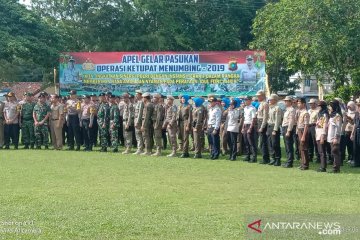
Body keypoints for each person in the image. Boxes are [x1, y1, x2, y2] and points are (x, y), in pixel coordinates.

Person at [327, 99, 343, 173]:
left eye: (330, 106)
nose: (329, 107)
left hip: (335, 137)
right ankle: (335, 167)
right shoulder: (332, 115)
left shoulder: (337, 116)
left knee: (335, 152)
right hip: (330, 137)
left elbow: (338, 127)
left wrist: (336, 137)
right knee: (333, 152)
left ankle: (336, 168)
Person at [267, 94, 282, 166]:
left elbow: (277, 120)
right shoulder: (270, 108)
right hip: (269, 126)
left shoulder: (277, 108)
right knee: (270, 144)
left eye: (271, 99)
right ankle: (273, 158)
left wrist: (275, 130)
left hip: (274, 127)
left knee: (275, 144)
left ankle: (277, 159)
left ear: (275, 100)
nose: (269, 100)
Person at [255, 90, 270, 164]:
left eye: (258, 96)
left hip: (262, 123)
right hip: (259, 122)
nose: (257, 97)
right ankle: (265, 158)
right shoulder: (261, 104)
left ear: (262, 96)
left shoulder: (265, 104)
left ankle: (266, 158)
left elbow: (265, 117)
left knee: (263, 142)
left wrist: (262, 127)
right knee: (262, 141)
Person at [281, 96, 296, 168]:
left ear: (290, 102)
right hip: (284, 127)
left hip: (288, 128)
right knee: (287, 146)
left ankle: (290, 162)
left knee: (289, 145)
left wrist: (289, 130)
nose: (285, 102)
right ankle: (288, 160)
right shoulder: (287, 110)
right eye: (285, 101)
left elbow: (291, 121)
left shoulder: (292, 110)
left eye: (287, 101)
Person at [241, 96, 257, 162]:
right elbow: (244, 119)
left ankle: (254, 157)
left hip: (250, 125)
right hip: (245, 125)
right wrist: (242, 127)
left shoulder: (252, 108)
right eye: (245, 100)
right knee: (246, 142)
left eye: (246, 100)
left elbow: (253, 119)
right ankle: (248, 155)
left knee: (251, 142)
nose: (245, 101)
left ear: (250, 100)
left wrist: (250, 128)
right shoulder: (245, 108)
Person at [297, 98, 310, 170]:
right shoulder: (301, 112)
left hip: (303, 131)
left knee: (304, 148)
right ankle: (302, 163)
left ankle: (305, 164)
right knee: (301, 148)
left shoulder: (306, 113)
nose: (298, 104)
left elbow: (306, 125)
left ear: (303, 104)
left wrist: (303, 136)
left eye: (299, 103)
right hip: (299, 130)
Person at [316, 100, 329, 172]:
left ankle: (323, 167)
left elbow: (325, 125)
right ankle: (322, 165)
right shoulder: (320, 113)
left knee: (322, 151)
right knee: (320, 151)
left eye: (319, 106)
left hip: (322, 133)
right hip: (318, 132)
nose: (318, 107)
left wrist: (323, 135)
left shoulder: (324, 114)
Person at [308, 98, 320, 163]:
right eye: (309, 103)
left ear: (315, 104)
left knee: (315, 142)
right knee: (309, 142)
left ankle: (318, 157)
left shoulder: (318, 111)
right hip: (308, 126)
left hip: (314, 126)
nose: (310, 105)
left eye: (311, 103)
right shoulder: (309, 111)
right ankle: (310, 156)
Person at [133, 90, 145, 155]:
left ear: (140, 95)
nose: (135, 95)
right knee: (138, 136)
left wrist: (137, 121)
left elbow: (140, 112)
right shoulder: (138, 102)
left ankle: (140, 149)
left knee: (139, 135)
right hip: (136, 120)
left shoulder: (141, 102)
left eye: (137, 94)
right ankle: (140, 148)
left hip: (138, 121)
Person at [350, 102, 360, 167]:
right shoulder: (356, 114)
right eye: (358, 106)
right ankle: (356, 162)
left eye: (358, 106)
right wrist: (352, 133)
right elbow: (354, 124)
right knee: (355, 147)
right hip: (356, 131)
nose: (358, 108)